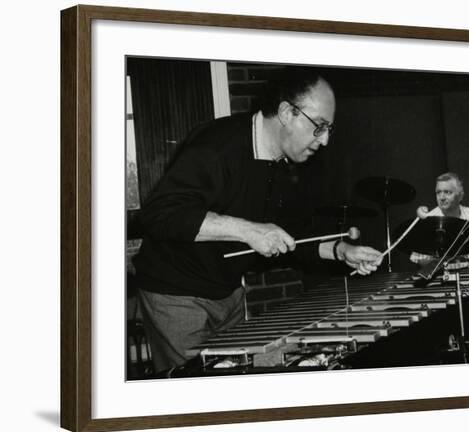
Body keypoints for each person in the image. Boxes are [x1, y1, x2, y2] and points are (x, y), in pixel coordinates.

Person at [133, 67, 382, 373]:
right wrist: (248, 230)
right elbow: (160, 214)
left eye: (329, 128)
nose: (326, 140)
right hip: (175, 292)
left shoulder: (286, 166)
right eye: (319, 126)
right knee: (197, 393)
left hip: (229, 292)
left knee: (234, 381)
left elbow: (293, 235)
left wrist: (340, 251)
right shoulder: (216, 146)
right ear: (287, 112)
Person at [410, 172, 469, 266]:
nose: (441, 197)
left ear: (460, 196)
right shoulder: (428, 220)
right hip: (439, 277)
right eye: (438, 192)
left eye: (447, 192)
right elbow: (420, 260)